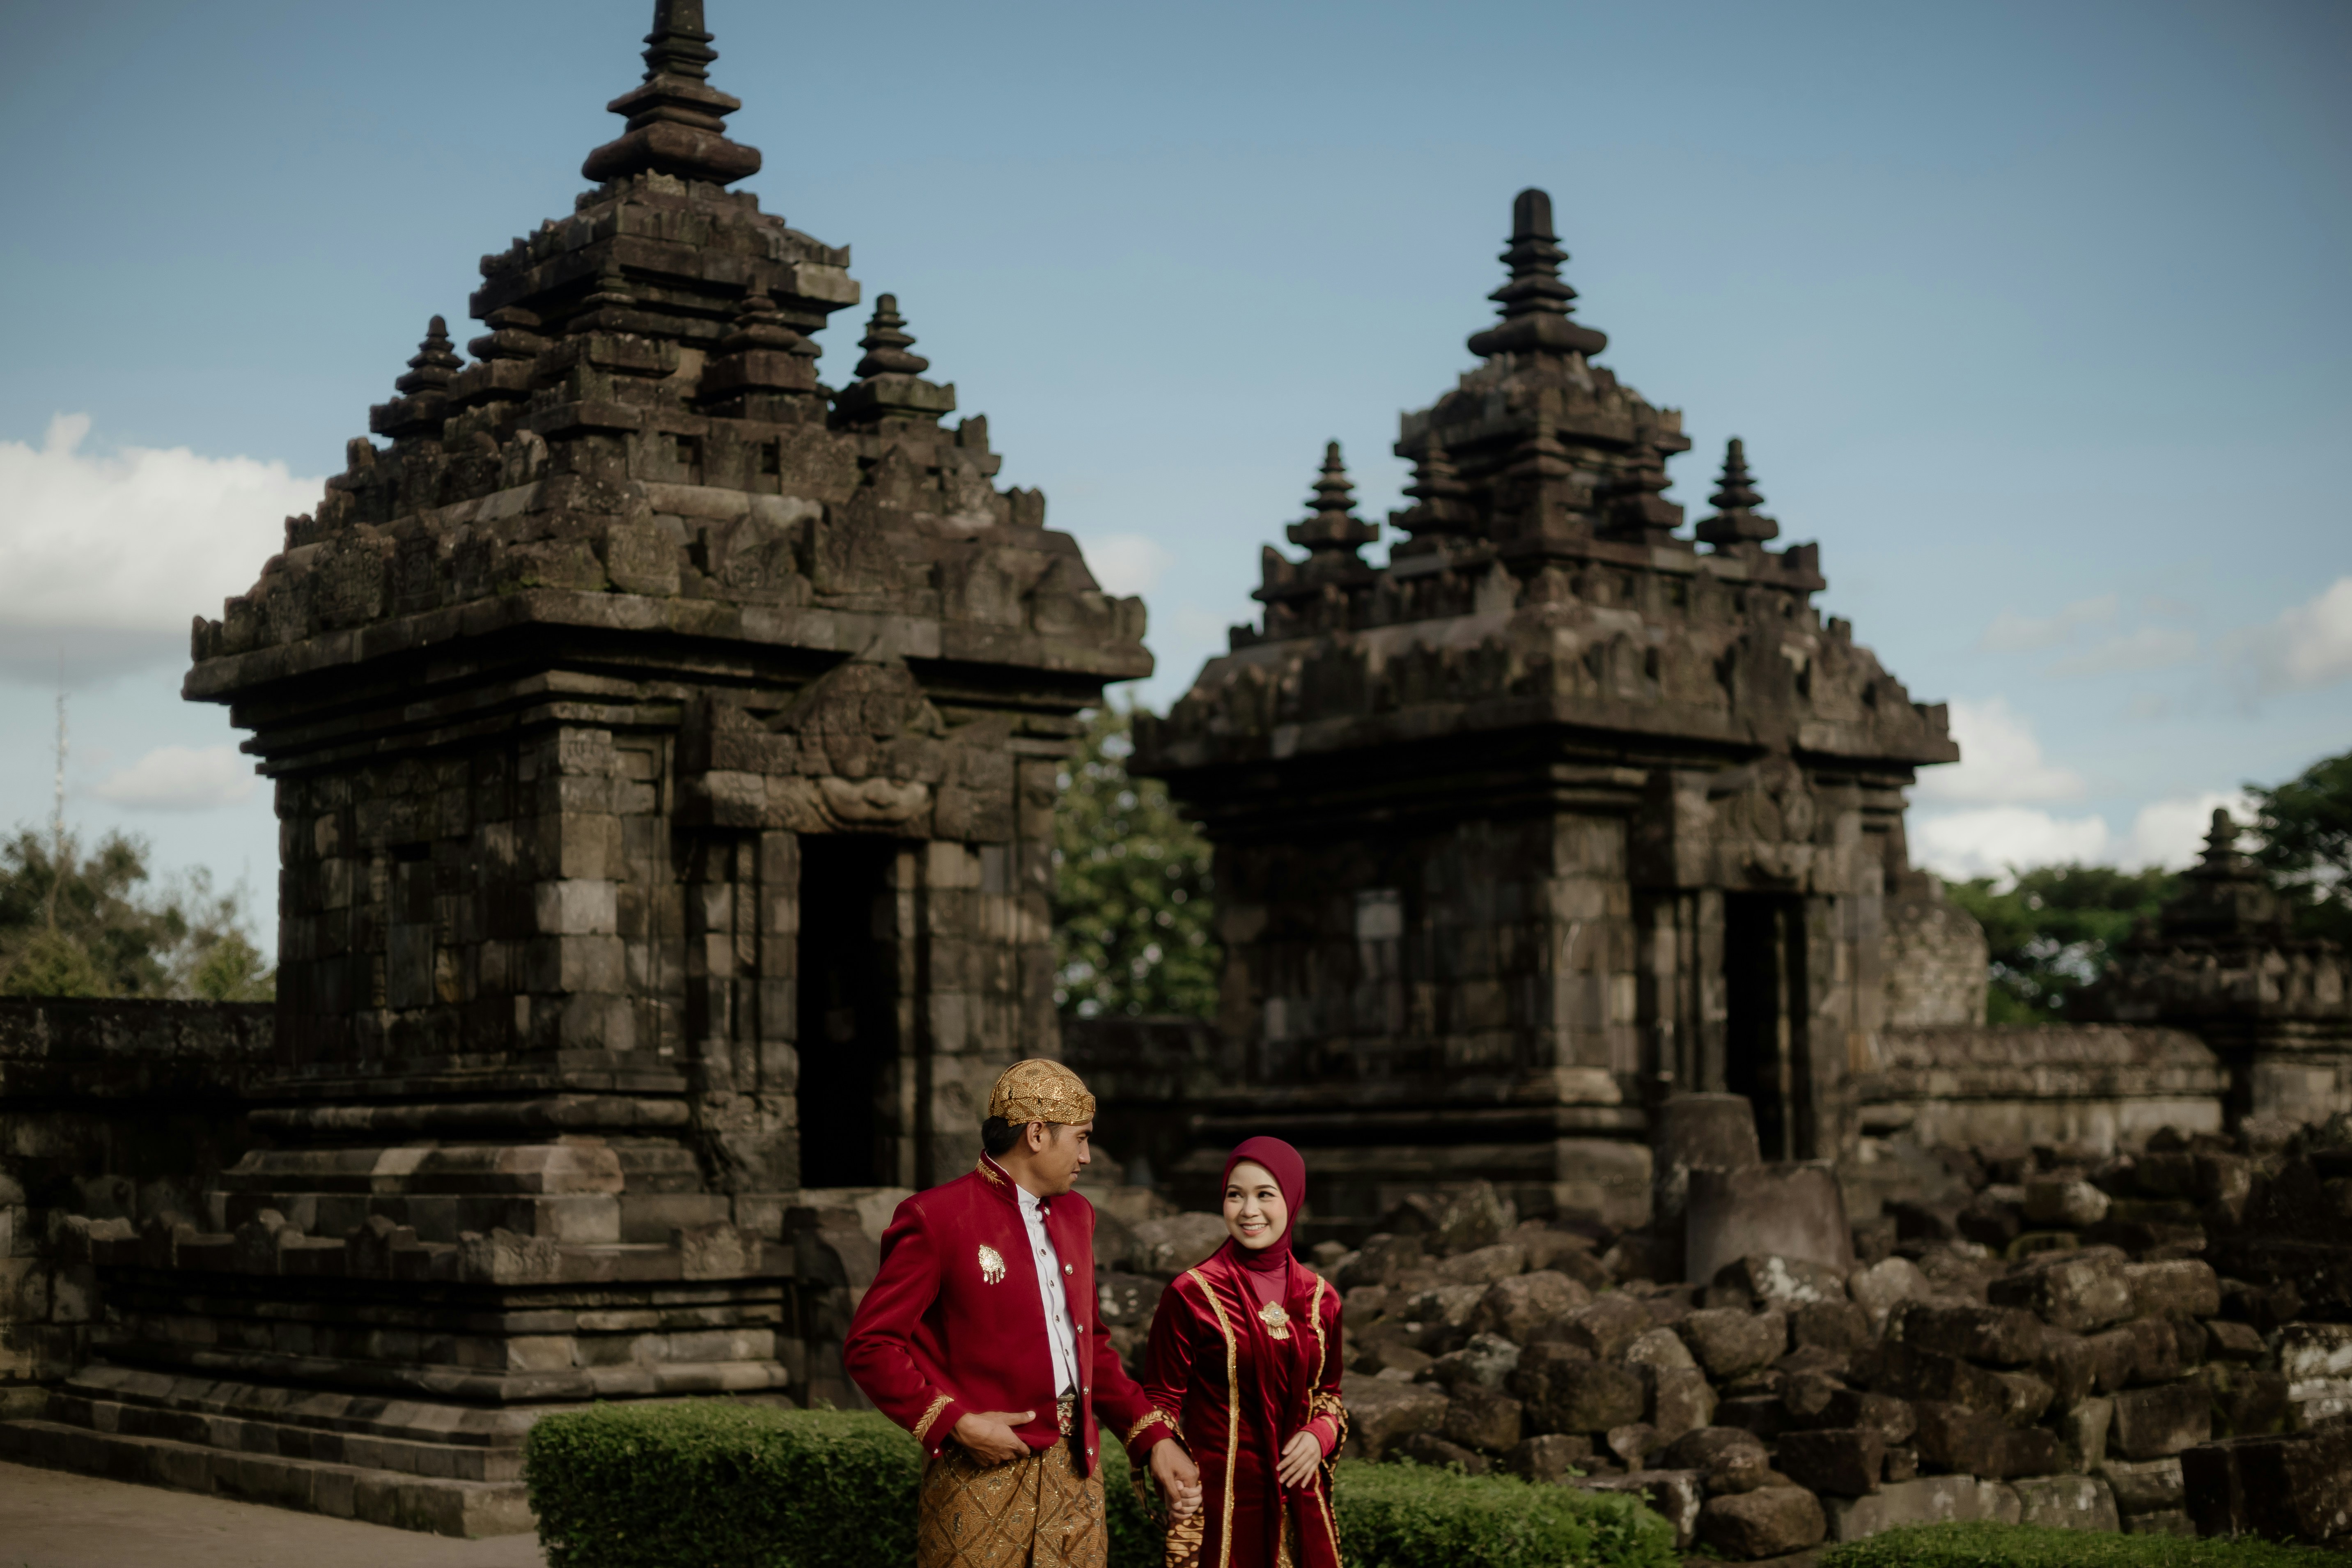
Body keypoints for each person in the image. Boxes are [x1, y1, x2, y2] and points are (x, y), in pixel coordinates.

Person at [843, 1058, 1203, 1568]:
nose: (1086, 1157)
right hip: (978, 1475)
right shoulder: (935, 1218)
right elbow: (870, 1345)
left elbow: (1090, 1348)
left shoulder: (1078, 1215)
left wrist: (1152, 1437)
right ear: (1036, 1134)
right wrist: (956, 1424)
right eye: (1079, 1139)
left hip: (1078, 1476)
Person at [1142, 1136, 1346, 1568]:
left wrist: (1320, 1435)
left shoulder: (1321, 1299)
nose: (1248, 1211)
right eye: (1235, 1195)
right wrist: (1172, 1475)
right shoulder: (1191, 1293)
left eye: (1264, 1195)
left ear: (1292, 1200)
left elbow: (1329, 1394)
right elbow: (1160, 1400)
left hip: (1300, 1503)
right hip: (1217, 1504)